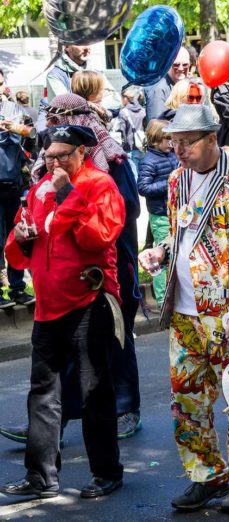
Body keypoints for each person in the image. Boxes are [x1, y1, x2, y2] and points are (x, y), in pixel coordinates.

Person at [137, 102, 229, 513]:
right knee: (188, 400)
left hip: (227, 314)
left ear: (212, 138)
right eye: (173, 142)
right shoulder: (177, 180)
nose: (178, 150)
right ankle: (206, 475)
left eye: (187, 142)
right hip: (184, 311)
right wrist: (160, 252)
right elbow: (183, 232)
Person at [0, 124, 125, 499]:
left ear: (81, 153)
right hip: (49, 305)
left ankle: (107, 472)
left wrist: (67, 195)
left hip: (89, 301)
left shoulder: (99, 185)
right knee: (43, 393)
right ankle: (41, 477)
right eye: (49, 156)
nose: (53, 163)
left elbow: (97, 237)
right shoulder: (39, 189)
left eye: (61, 156)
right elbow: (17, 251)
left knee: (94, 392)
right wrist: (20, 238)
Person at [136, 119, 178, 305]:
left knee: (174, 254)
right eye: (167, 139)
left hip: (174, 212)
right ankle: (162, 300)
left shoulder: (172, 156)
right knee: (160, 258)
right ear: (155, 139)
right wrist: (170, 181)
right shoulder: (149, 161)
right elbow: (143, 188)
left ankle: (174, 296)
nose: (171, 143)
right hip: (160, 215)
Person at [0, 119, 35, 308]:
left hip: (13, 192)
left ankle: (17, 288)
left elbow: (29, 151)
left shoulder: (12, 130)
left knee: (17, 240)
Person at [143, 47, 190, 123]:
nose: (181, 68)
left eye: (185, 64)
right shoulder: (159, 89)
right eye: (176, 65)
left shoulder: (185, 84)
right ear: (168, 64)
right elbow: (156, 127)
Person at [117, 86, 146, 165]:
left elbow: (122, 133)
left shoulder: (123, 112)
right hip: (142, 147)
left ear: (126, 98)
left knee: (134, 174)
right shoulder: (143, 111)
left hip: (130, 149)